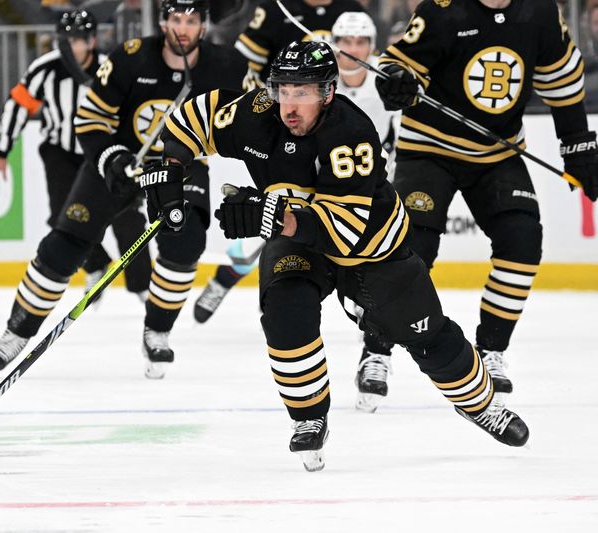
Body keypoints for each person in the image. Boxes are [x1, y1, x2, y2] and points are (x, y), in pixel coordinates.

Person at [140, 39, 530, 472]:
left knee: (427, 336)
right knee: (284, 312)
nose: (289, 105)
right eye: (282, 90)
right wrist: (171, 167)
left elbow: (345, 232)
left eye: (302, 92)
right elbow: (193, 118)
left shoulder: (350, 134)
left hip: (372, 248)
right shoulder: (256, 113)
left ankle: (479, 406)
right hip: (298, 238)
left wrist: (269, 216)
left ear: (327, 92)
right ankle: (308, 418)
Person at [0, 0, 253, 378]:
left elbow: (253, 120)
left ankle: (157, 330)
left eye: (192, 21)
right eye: (176, 20)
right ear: (163, 22)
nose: (183, 29)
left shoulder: (229, 66)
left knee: (185, 244)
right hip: (121, 162)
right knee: (63, 244)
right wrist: (112, 158)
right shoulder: (130, 58)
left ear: (203, 26)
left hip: (181, 168)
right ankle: (16, 332)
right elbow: (90, 119)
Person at [356, 0, 598, 412]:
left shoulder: (541, 12)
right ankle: (376, 349)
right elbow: (398, 67)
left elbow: (562, 82)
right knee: (410, 250)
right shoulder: (442, 9)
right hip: (428, 149)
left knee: (522, 241)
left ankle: (491, 350)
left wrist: (577, 148)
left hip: (497, 153)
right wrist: (397, 82)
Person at [193, 11, 399, 326]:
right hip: (302, 175)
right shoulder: (313, 81)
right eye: (345, 41)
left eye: (361, 42)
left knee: (356, 238)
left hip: (352, 180)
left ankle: (362, 299)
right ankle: (224, 278)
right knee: (260, 230)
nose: (353, 49)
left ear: (372, 46)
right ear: (335, 43)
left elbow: (397, 132)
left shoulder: (385, 87)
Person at [0, 9, 150, 319]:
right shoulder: (45, 68)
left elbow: (132, 112)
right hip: (59, 152)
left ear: (91, 40)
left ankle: (143, 285)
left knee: (127, 219)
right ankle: (97, 263)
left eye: (80, 39)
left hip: (102, 153)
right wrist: (1, 151)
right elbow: (18, 106)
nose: (75, 46)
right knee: (65, 217)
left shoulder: (109, 68)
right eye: (69, 39)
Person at [234, 0, 364, 83]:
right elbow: (240, 67)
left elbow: (366, 64)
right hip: (284, 107)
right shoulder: (275, 9)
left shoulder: (354, 10)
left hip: (339, 105)